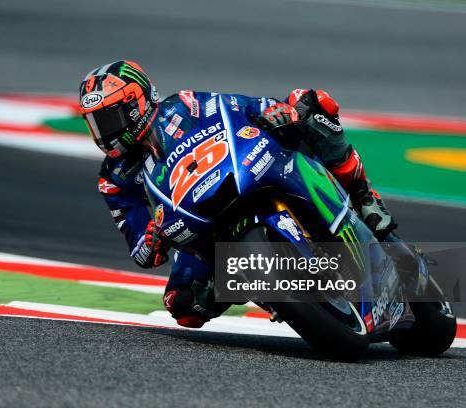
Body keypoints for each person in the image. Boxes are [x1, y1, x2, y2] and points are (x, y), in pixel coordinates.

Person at [80, 60, 396, 328]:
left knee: (311, 103)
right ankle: (253, 283)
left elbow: (243, 106)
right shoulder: (114, 178)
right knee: (183, 306)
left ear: (135, 105)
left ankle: (363, 195)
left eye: (109, 118)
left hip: (244, 169)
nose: (103, 132)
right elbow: (139, 249)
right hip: (195, 226)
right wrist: (151, 241)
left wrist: (276, 111)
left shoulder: (186, 104)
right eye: (95, 123)